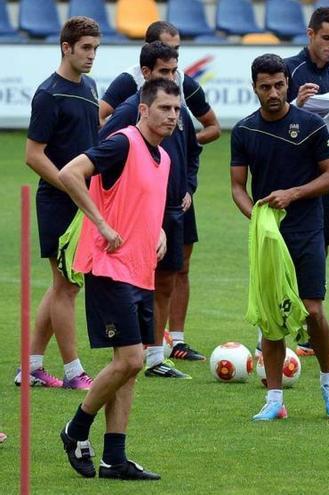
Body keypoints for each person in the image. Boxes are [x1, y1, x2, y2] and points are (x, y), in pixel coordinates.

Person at [58, 78, 181, 480]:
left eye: (177, 110)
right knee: (129, 359)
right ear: (143, 110)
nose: (172, 116)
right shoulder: (122, 143)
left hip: (141, 270)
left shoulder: (164, 158)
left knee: (131, 366)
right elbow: (70, 173)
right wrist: (101, 223)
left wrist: (159, 231)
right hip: (110, 268)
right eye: (164, 109)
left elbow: (144, 203)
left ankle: (115, 458)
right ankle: (75, 428)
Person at [231, 54, 329, 420]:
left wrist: (292, 194)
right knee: (271, 318)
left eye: (279, 85)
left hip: (307, 228)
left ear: (287, 84)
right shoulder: (244, 131)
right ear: (255, 88)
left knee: (312, 311)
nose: (274, 92)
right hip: (269, 237)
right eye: (266, 87)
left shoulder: (311, 125)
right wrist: (257, 218)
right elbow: (237, 186)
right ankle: (275, 399)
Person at [100, 20, 220, 361]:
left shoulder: (179, 92)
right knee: (141, 271)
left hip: (177, 199)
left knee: (175, 269)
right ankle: (138, 346)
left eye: (177, 59)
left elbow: (203, 137)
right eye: (168, 60)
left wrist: (186, 179)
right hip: (143, 202)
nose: (174, 71)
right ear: (147, 65)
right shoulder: (130, 95)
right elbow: (103, 129)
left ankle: (168, 343)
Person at [19, 16, 101, 390]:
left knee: (63, 286)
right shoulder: (48, 93)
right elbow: (34, 155)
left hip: (82, 199)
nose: (91, 56)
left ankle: (31, 366)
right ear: (66, 47)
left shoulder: (91, 87)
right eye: (85, 48)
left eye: (95, 49)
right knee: (67, 285)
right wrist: (70, 187)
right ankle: (73, 372)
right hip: (57, 200)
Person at [283, 7, 329, 357]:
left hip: (328, 175)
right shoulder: (289, 69)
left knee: (320, 247)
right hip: (294, 177)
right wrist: (294, 102)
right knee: (287, 253)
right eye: (326, 37)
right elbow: (270, 118)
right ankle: (283, 323)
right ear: (310, 34)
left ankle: (309, 328)